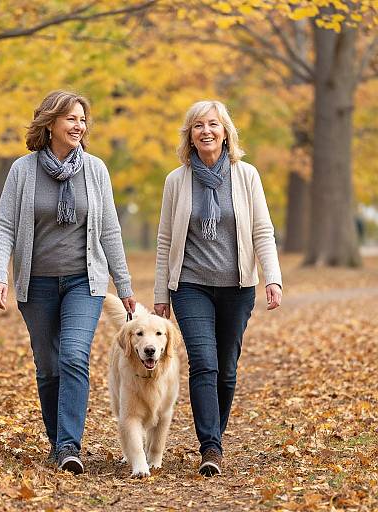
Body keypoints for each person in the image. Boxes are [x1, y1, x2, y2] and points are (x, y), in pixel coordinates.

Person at [0, 90, 135, 475]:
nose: (79, 126)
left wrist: (123, 284)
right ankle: (58, 443)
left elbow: (109, 230)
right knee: (48, 365)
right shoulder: (23, 171)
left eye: (83, 120)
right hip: (35, 285)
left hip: (83, 282)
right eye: (71, 118)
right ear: (50, 123)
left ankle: (70, 446)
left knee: (73, 356)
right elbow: (4, 225)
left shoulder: (96, 170)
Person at [153, 100, 282, 477]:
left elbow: (262, 230)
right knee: (204, 364)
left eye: (213, 124)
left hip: (237, 287)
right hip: (190, 285)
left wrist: (272, 277)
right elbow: (164, 240)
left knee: (226, 369)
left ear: (226, 132)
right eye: (198, 126)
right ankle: (210, 447)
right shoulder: (177, 181)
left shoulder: (246, 176)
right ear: (189, 136)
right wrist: (162, 293)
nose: (206, 131)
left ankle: (215, 436)